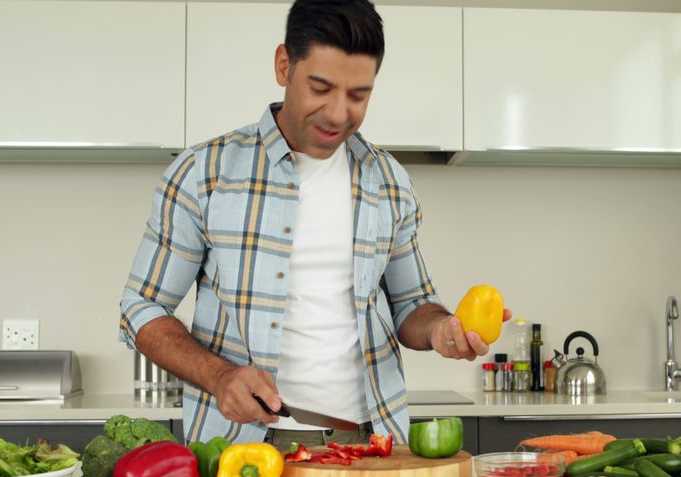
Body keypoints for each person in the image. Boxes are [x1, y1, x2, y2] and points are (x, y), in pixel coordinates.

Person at [119, 0, 505, 453]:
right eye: (320, 87)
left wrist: (441, 329)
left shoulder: (388, 180)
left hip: (368, 439)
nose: (339, 113)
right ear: (284, 65)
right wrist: (220, 376)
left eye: (358, 95)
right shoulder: (206, 172)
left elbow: (411, 306)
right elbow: (141, 306)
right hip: (241, 446)